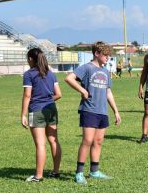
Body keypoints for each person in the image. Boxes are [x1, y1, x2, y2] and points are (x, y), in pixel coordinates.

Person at [65, 41, 121, 185]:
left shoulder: (106, 72)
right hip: (89, 110)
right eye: (105, 55)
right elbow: (69, 78)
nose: (108, 57)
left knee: (98, 141)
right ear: (97, 53)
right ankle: (79, 173)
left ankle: (94, 171)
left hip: (102, 111)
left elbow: (108, 91)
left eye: (109, 55)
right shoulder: (87, 68)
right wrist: (82, 90)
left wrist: (116, 111)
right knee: (87, 141)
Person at [20, 48, 62, 182]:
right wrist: (47, 101)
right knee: (53, 141)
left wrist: (23, 115)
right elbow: (58, 94)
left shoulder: (29, 74)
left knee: (40, 144)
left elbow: (27, 95)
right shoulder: (51, 73)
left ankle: (38, 176)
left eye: (28, 59)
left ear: (31, 59)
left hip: (36, 110)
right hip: (51, 109)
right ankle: (55, 172)